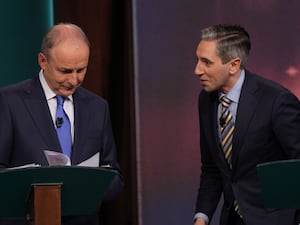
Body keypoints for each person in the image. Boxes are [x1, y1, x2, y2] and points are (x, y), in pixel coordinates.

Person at [0, 23, 124, 225]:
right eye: (65, 71)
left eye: (81, 70)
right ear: (43, 61)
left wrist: (87, 188)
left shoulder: (98, 107)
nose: (74, 80)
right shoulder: (9, 102)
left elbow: (114, 175)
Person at [193, 24, 300, 225]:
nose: (197, 70)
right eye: (197, 60)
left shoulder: (276, 101)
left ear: (233, 65)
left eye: (206, 62)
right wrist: (202, 217)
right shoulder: (205, 100)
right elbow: (212, 168)